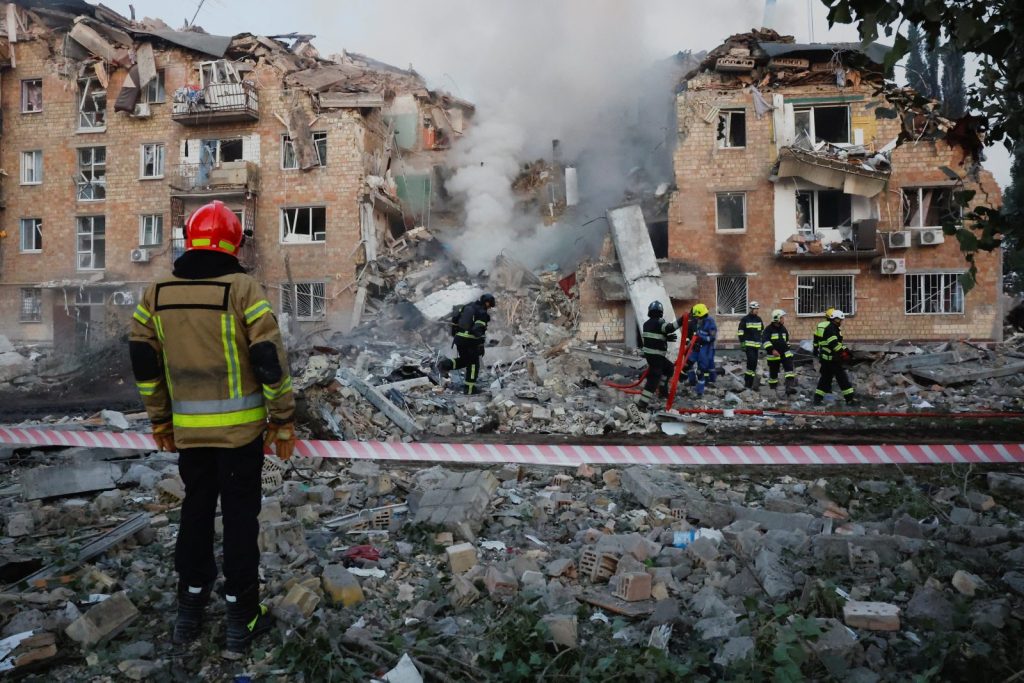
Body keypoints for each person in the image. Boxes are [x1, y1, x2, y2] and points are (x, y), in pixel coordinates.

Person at [129, 200, 296, 657]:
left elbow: (144, 362)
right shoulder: (243, 289)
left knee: (196, 512)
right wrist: (283, 418)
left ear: (189, 240)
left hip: (188, 433)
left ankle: (190, 607)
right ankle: (242, 617)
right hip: (241, 436)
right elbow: (268, 360)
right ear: (234, 243)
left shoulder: (156, 293)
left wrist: (159, 418)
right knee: (240, 521)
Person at [436, 293, 495, 395]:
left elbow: (455, 320)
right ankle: (470, 389)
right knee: (473, 364)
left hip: (459, 339)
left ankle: (445, 365)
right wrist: (480, 343)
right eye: (490, 306)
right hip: (470, 341)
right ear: (487, 303)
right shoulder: (482, 313)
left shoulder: (468, 306)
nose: (489, 308)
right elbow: (477, 330)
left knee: (465, 360)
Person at [638, 300, 685, 410]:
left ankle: (663, 390)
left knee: (669, 368)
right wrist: (682, 320)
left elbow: (654, 337)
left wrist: (665, 337)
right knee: (654, 379)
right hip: (656, 357)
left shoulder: (646, 324)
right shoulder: (659, 323)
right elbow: (670, 328)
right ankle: (642, 404)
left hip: (652, 356)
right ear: (661, 312)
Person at [814, 309, 857, 405]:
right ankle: (850, 399)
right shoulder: (831, 328)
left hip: (827, 359)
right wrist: (843, 354)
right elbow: (834, 344)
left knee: (825, 379)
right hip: (832, 359)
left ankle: (817, 400)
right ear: (836, 319)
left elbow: (838, 343)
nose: (841, 322)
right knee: (842, 379)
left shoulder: (832, 327)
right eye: (840, 320)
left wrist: (846, 350)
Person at [762, 309, 797, 395]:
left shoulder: (783, 329)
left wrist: (788, 349)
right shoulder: (768, 329)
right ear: (777, 318)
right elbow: (765, 342)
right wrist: (772, 350)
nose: (783, 319)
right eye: (782, 317)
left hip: (785, 353)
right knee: (773, 374)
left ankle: (789, 388)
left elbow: (787, 341)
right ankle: (772, 390)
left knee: (789, 370)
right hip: (773, 355)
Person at [687, 303, 717, 397]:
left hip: (706, 349)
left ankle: (700, 392)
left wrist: (701, 338)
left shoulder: (710, 323)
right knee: (687, 363)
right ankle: (690, 381)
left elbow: (712, 338)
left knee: (700, 371)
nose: (696, 319)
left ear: (701, 315)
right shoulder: (699, 322)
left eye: (697, 317)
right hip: (697, 347)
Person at [737, 301, 764, 390]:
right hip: (748, 345)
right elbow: (740, 332)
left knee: (754, 364)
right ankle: (747, 383)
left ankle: (751, 383)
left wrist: (761, 340)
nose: (757, 310)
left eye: (757, 309)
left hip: (756, 346)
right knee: (751, 362)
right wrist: (742, 343)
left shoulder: (759, 319)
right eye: (755, 309)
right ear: (751, 309)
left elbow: (762, 331)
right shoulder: (745, 319)